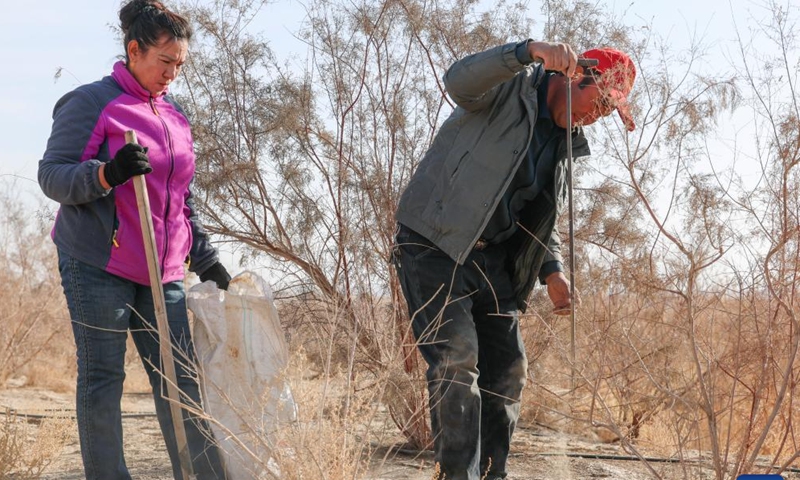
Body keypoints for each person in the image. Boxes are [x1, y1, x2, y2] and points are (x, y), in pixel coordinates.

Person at [392, 39, 636, 480]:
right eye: (598, 102)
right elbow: (457, 81)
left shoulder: (564, 147)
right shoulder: (510, 89)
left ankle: (492, 474)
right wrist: (525, 52)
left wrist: (552, 270)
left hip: (492, 263)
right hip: (434, 243)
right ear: (574, 75)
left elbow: (539, 219)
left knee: (508, 371)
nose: (595, 116)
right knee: (458, 359)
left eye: (607, 112)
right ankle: (456, 475)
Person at [38, 1, 231, 478]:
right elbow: (52, 176)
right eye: (164, 62)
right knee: (104, 379)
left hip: (163, 270)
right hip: (98, 263)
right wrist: (107, 173)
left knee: (180, 380)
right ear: (134, 50)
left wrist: (205, 257)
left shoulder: (173, 113)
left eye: (179, 65)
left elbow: (179, 195)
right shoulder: (91, 102)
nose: (172, 74)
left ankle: (203, 475)